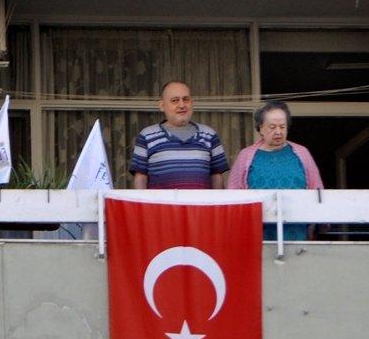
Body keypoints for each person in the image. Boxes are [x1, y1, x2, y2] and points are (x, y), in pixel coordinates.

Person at [228, 100, 323, 241]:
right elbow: (233, 195)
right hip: (256, 234)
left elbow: (317, 191)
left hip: (297, 232)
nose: (278, 132)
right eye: (272, 127)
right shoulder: (246, 156)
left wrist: (314, 226)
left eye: (282, 127)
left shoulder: (302, 153)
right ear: (260, 128)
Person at [130, 81, 230, 190]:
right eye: (175, 101)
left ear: (192, 102)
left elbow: (216, 176)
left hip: (199, 206)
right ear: (162, 106)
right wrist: (143, 205)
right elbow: (140, 178)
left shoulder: (209, 135)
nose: (182, 105)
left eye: (186, 99)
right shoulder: (147, 136)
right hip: (161, 206)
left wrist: (215, 205)